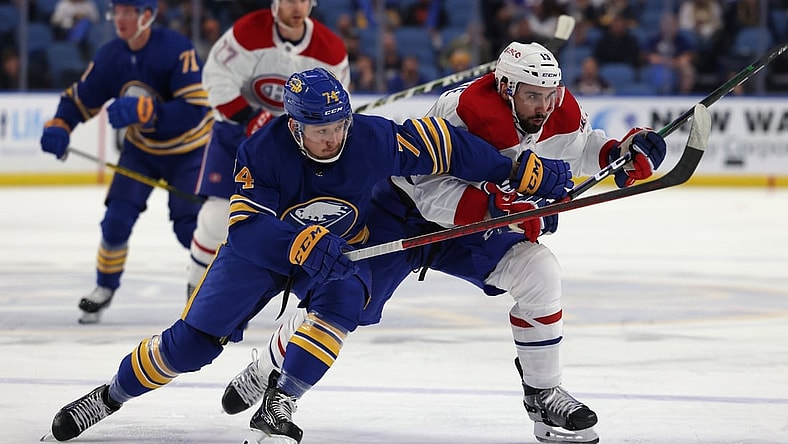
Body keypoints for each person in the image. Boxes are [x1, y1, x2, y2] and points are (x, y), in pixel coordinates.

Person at [44, 67, 574, 443]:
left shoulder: (367, 137)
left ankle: (281, 401)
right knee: (191, 347)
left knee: (342, 302)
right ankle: (108, 396)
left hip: (336, 248)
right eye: (321, 130)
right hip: (262, 255)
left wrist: (515, 171)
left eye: (339, 125)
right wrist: (296, 243)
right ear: (295, 126)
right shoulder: (261, 150)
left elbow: (444, 146)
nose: (332, 138)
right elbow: (246, 229)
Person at [220, 42, 667, 444]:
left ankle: (544, 395)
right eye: (533, 96)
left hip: (471, 224)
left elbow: (579, 145)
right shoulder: (464, 110)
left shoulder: (556, 107)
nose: (545, 106)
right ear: (507, 88)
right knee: (340, 304)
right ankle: (272, 373)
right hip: (399, 214)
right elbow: (426, 187)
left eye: (550, 95)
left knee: (539, 270)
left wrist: (616, 154)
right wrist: (501, 207)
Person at [39, 0, 213, 324]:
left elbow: (195, 109)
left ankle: (217, 293)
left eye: (128, 12)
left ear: (147, 15)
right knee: (116, 220)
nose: (120, 18)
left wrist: (147, 111)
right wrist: (61, 124)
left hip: (190, 151)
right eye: (117, 11)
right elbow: (80, 98)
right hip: (141, 151)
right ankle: (104, 287)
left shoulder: (176, 48)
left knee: (189, 226)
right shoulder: (111, 55)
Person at [187, 0, 350, 298]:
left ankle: (316, 301)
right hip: (236, 137)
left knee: (298, 224)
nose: (296, 6)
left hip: (295, 148)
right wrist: (249, 118)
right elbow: (216, 78)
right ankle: (197, 290)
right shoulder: (248, 32)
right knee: (216, 218)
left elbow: (336, 101)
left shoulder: (331, 49)